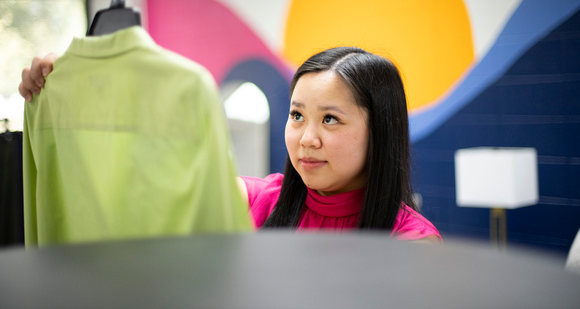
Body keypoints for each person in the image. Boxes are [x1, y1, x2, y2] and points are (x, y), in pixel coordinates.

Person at [20, 47, 441, 241]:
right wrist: (75, 87)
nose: (306, 138)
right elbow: (147, 178)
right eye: (297, 116)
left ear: (380, 129)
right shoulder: (258, 200)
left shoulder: (412, 245)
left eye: (330, 119)